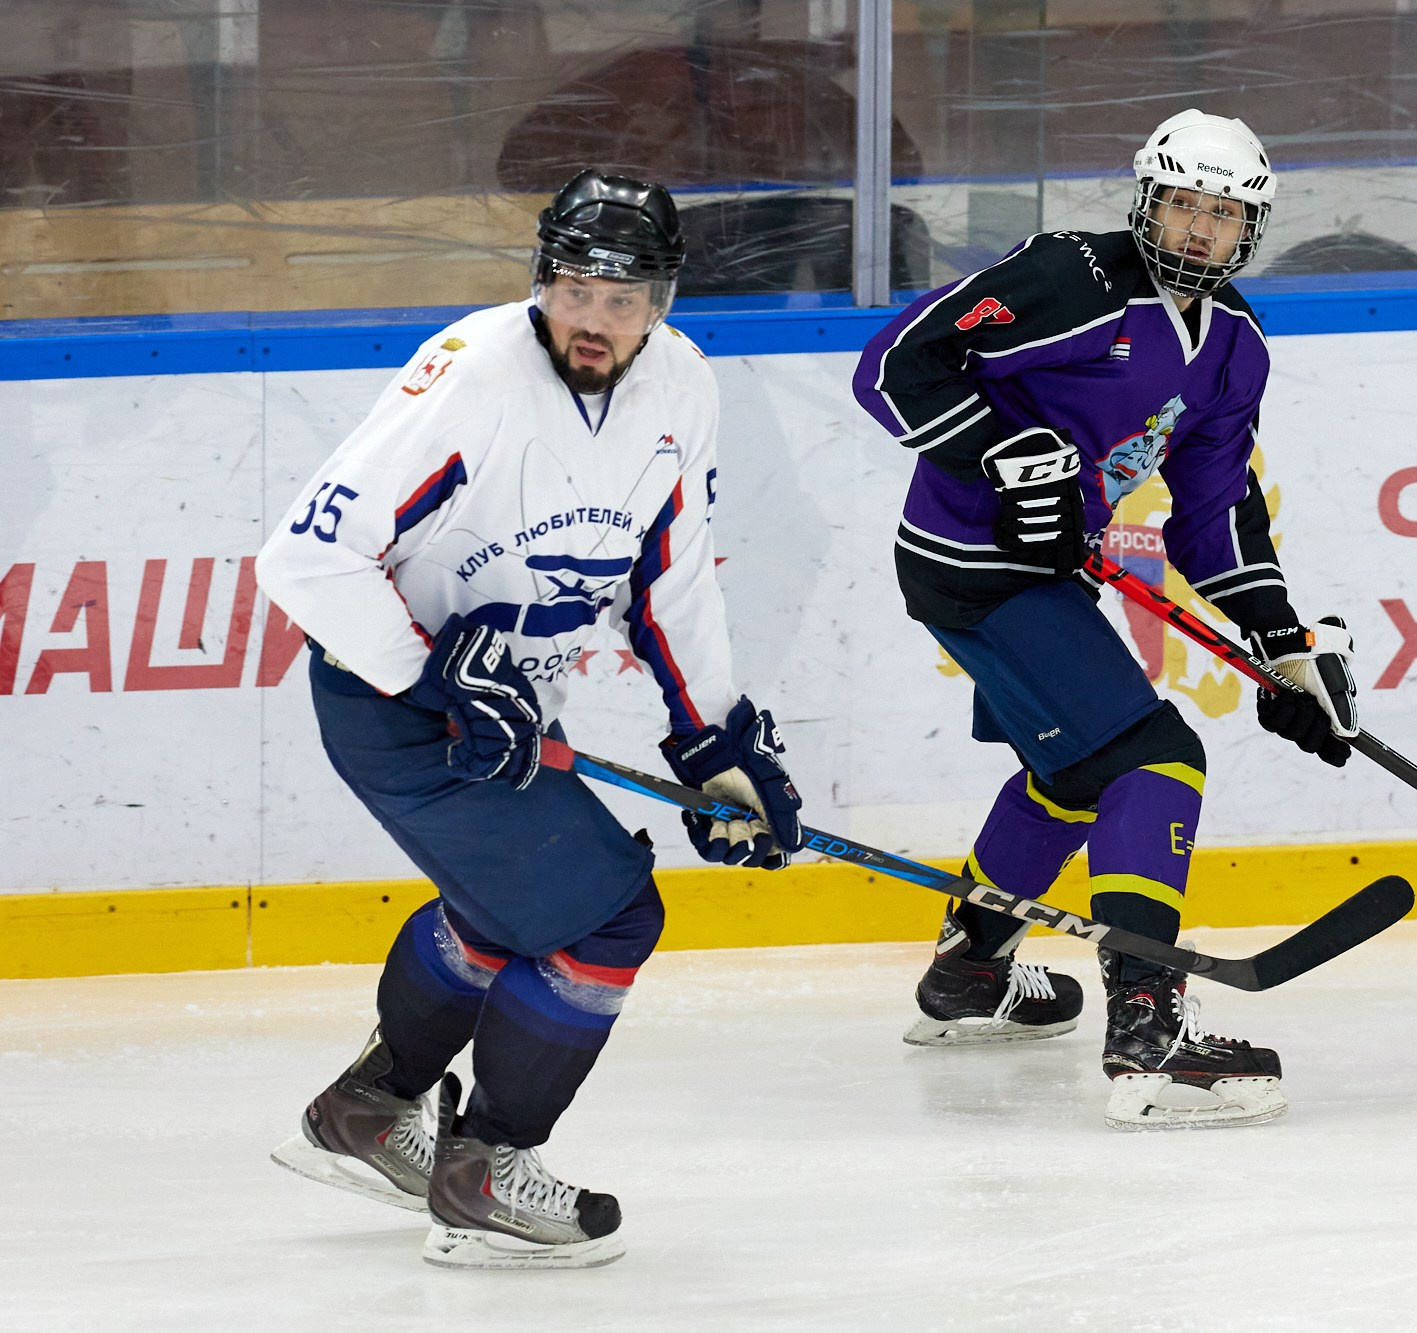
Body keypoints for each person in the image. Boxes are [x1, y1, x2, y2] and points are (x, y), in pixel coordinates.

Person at [259, 169, 805, 1267]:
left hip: (502, 707)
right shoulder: (474, 378)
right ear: (541, 279)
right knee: (608, 915)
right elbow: (306, 559)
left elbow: (669, 579)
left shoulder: (681, 387)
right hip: (395, 703)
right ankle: (488, 1170)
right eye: (572, 288)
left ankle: (370, 1111)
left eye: (621, 296)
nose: (592, 318)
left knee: (503, 914)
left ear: (662, 300)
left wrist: (712, 738)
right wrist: (434, 688)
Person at [851, 110, 1359, 1130]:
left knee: (1070, 775)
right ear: (1146, 201)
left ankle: (969, 974)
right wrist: (1005, 459)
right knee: (1154, 759)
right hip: (972, 565)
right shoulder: (1071, 278)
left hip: (1040, 575)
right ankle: (1148, 1031)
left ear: (1248, 228)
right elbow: (897, 363)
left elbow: (1211, 515)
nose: (1199, 230)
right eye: (1183, 205)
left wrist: (1284, 647)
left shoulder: (1231, 350)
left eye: (1224, 213)